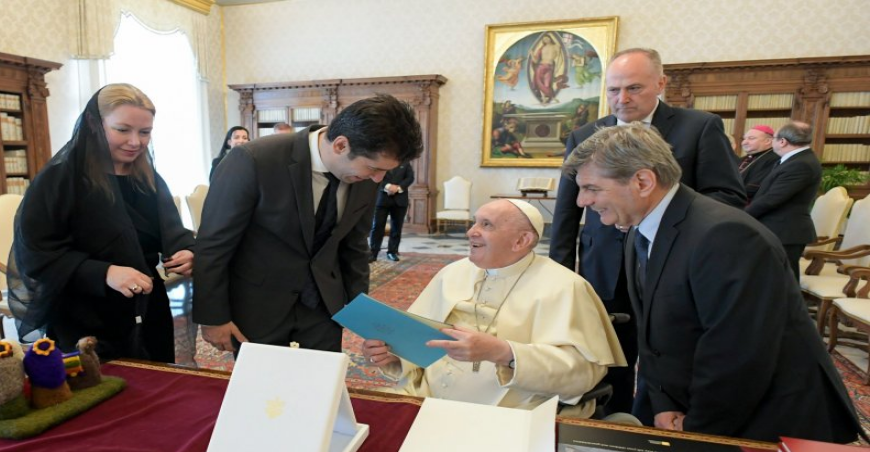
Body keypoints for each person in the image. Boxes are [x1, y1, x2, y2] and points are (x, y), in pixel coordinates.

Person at [566, 123, 862, 443]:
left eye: (592, 188)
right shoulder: (639, 228)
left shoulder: (727, 236)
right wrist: (663, 402)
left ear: (642, 181)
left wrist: (698, 427)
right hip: (693, 404)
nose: (582, 201)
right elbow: (654, 335)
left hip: (768, 422)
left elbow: (738, 354)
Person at [549, 48, 746, 419]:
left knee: (667, 347)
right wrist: (559, 272)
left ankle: (658, 420)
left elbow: (728, 196)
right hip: (604, 263)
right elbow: (567, 210)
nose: (622, 99)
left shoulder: (699, 127)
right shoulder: (585, 135)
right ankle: (616, 423)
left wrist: (660, 220)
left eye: (634, 88)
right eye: (613, 90)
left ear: (660, 83)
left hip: (670, 264)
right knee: (608, 351)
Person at [194, 94, 423, 354]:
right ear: (341, 145)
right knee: (263, 378)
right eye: (373, 168)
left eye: (385, 172)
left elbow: (354, 244)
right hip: (259, 304)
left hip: (323, 305)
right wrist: (212, 317)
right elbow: (214, 243)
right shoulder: (254, 159)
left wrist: (361, 312)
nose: (378, 179)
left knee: (322, 376)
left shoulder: (365, 177)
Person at [361, 199, 626, 415]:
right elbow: (417, 336)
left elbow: (583, 373)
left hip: (512, 413)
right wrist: (394, 355)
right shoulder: (452, 272)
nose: (470, 232)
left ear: (521, 241)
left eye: (486, 225)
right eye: (474, 222)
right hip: (425, 397)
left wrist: (503, 353)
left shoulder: (566, 287)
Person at [9, 83, 195, 362]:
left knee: (156, 381)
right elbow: (36, 255)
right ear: (95, 124)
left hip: (149, 309)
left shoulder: (148, 179)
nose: (135, 142)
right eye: (122, 130)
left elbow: (171, 232)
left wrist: (188, 251)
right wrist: (104, 272)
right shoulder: (60, 179)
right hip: (84, 316)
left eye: (144, 132)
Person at [746, 121, 822, 282]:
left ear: (782, 141)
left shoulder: (801, 164)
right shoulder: (794, 160)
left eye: (773, 138)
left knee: (784, 282)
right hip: (778, 229)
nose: (772, 141)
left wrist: (742, 216)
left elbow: (772, 199)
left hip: (785, 231)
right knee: (773, 280)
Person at [369, 160, 414, 262]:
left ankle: (392, 252)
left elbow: (410, 178)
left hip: (400, 200)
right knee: (377, 227)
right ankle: (373, 252)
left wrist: (398, 188)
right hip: (382, 199)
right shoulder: (381, 160)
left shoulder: (405, 162)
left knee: (396, 228)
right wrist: (388, 187)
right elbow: (376, 176)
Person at [738, 124, 780, 202]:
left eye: (751, 138)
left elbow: (755, 188)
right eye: (744, 139)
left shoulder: (774, 159)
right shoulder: (742, 159)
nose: (744, 142)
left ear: (768, 141)